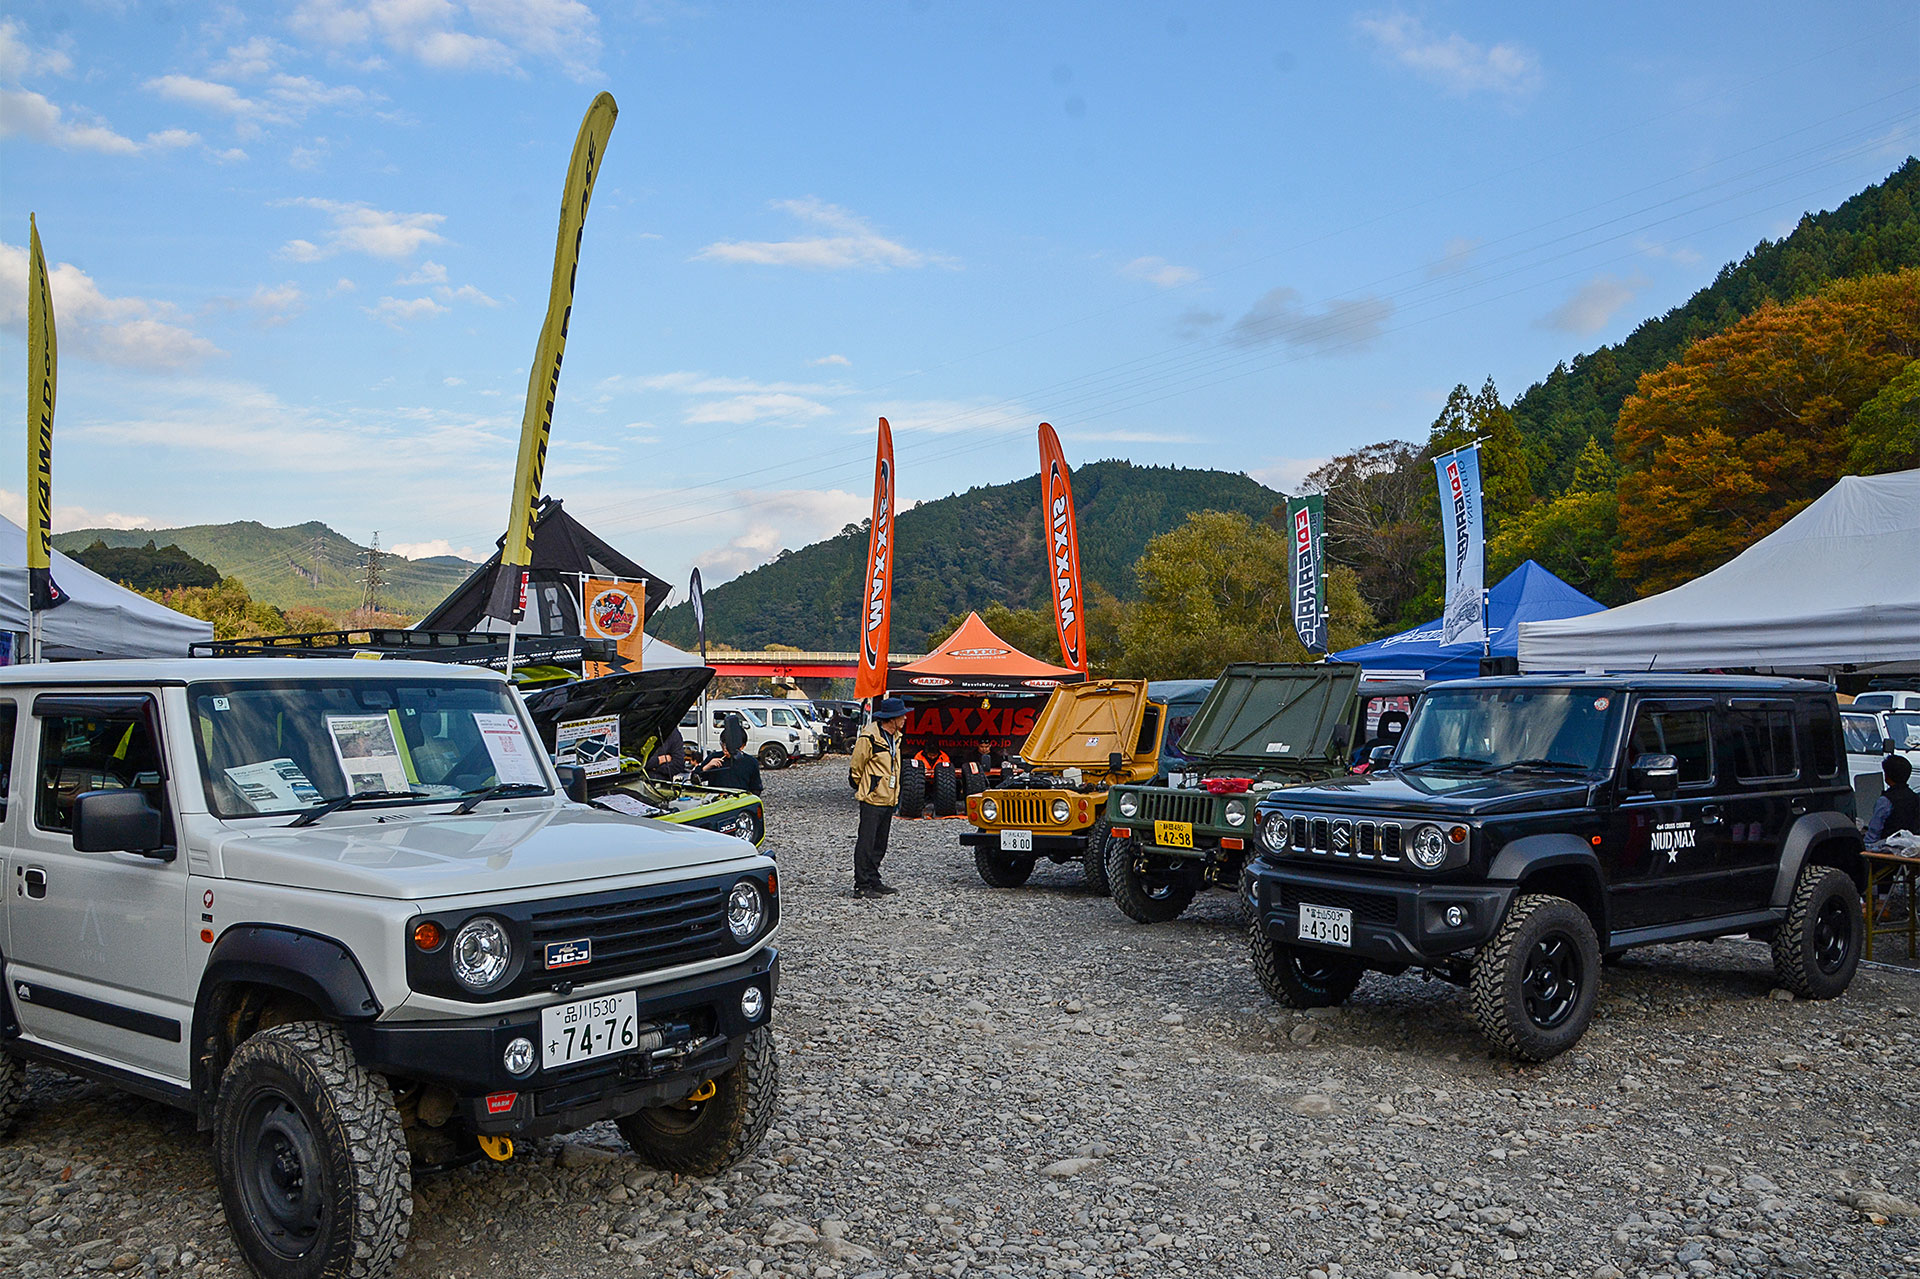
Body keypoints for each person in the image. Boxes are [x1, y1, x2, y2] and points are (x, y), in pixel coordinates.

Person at [849, 697, 909, 898]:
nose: (905, 718)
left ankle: (874, 880)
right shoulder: (869, 737)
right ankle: (861, 885)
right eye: (902, 715)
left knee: (880, 844)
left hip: (888, 798)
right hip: (872, 799)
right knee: (866, 843)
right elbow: (856, 766)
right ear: (892, 718)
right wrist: (869, 786)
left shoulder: (896, 737)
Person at [1864, 754, 1918, 845]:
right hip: (1912, 844)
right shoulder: (1915, 797)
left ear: (1887, 776)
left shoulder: (1885, 801)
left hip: (1888, 846)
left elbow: (1873, 834)